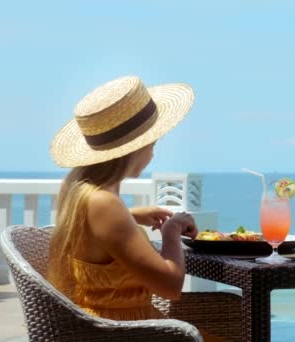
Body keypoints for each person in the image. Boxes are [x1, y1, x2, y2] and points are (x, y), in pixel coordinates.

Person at [46, 76, 223, 340]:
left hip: (98, 326)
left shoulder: (79, 190)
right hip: (125, 333)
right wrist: (172, 232)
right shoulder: (105, 204)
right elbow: (170, 286)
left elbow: (94, 234)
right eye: (153, 144)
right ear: (135, 149)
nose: (153, 153)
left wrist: (131, 215)